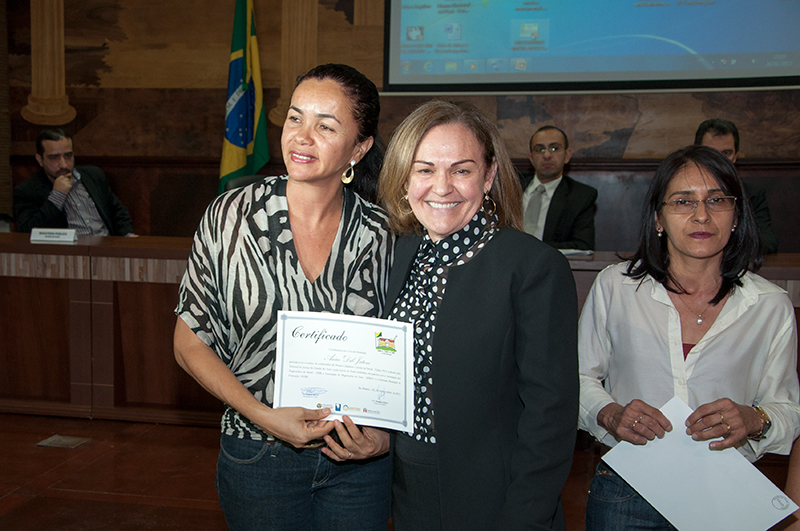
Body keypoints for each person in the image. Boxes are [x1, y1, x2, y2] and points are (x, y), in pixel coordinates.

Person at [173, 64, 394, 531]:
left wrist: (383, 436)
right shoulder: (231, 216)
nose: (302, 136)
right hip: (259, 455)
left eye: (325, 126)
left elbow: (404, 355)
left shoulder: (383, 233)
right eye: (295, 118)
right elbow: (189, 342)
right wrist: (265, 417)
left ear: (359, 148)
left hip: (357, 462)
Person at [374, 100, 579, 530]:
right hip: (404, 490)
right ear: (405, 179)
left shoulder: (533, 267)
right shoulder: (396, 255)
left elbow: (551, 415)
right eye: (425, 169)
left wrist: (524, 517)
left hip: (496, 499)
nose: (441, 187)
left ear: (488, 177)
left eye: (461, 170)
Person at [579, 144, 800, 530]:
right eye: (683, 201)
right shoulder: (616, 287)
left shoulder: (769, 305)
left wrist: (754, 418)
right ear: (658, 218)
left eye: (717, 200)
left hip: (724, 490)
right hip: (628, 490)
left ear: (736, 216)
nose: (702, 215)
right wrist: (610, 414)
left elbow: (788, 409)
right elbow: (578, 378)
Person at [13, 128, 135, 236]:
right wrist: (57, 196)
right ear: (40, 160)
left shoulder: (93, 175)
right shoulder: (27, 190)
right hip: (67, 252)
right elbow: (28, 231)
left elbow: (117, 211)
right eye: (54, 157)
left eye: (68, 156)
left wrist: (127, 235)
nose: (63, 164)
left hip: (106, 247)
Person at [695, 118, 778, 253]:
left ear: (735, 156)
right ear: (697, 154)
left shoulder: (753, 195)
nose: (720, 160)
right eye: (712, 153)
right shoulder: (680, 195)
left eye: (726, 153)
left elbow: (768, 242)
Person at [520, 125, 597, 250]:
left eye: (554, 148)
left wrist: (536, 249)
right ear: (531, 158)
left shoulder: (581, 196)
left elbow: (583, 245)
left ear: (567, 155)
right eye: (540, 149)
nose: (547, 155)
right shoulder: (510, 187)